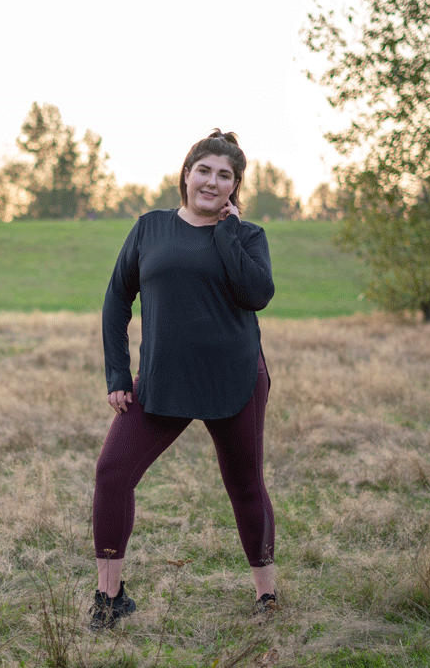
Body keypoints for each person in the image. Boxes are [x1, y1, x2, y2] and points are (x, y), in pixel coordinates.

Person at [89, 130, 276, 631]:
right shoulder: (150, 228)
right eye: (204, 170)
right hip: (161, 385)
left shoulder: (247, 235)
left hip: (235, 379)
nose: (212, 182)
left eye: (224, 176)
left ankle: (267, 595)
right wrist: (117, 373)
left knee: (245, 485)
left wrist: (228, 233)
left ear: (235, 187)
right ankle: (110, 597)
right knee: (112, 474)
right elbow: (115, 301)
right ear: (186, 173)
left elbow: (258, 294)